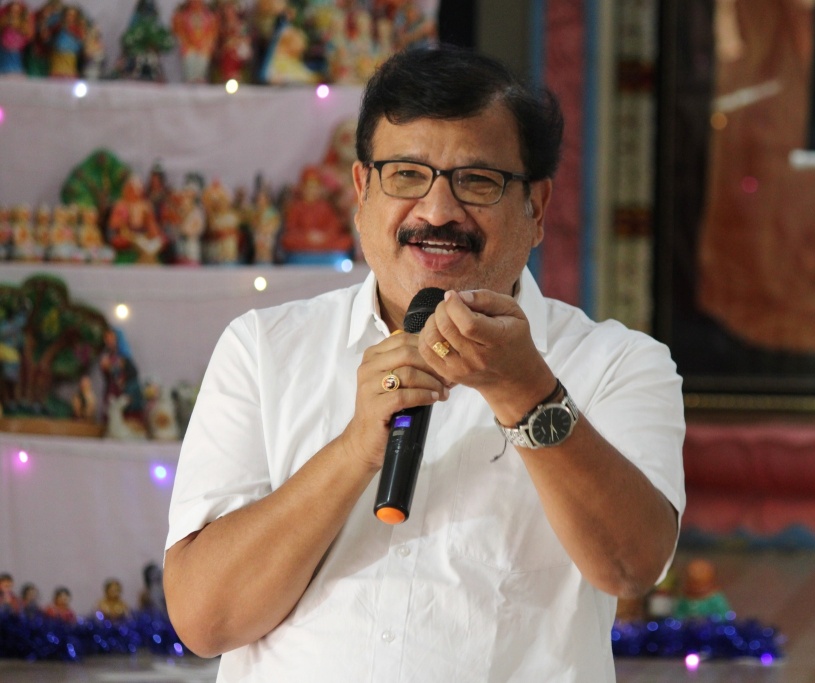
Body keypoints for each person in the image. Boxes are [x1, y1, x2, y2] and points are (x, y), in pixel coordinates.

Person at [164, 45, 685, 682]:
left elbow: (631, 569)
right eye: (407, 175)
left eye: (477, 181)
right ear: (362, 192)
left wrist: (526, 392)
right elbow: (206, 621)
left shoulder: (619, 363)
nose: (437, 212)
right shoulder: (264, 348)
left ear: (538, 208)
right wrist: (353, 450)